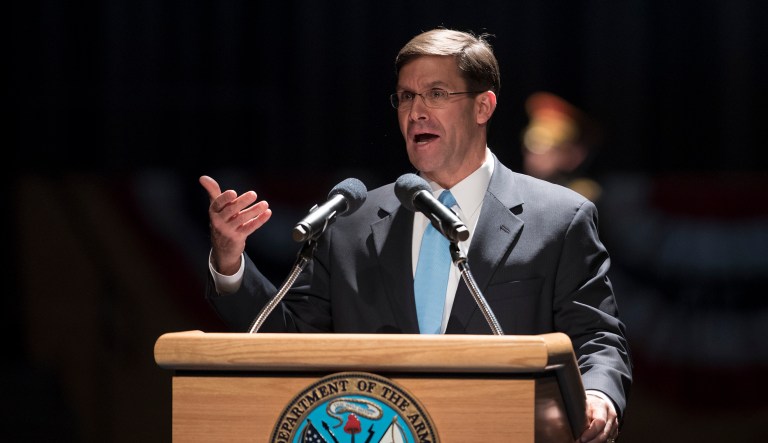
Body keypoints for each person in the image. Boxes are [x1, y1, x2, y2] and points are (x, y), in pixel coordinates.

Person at [199, 28, 631, 443]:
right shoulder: (350, 221)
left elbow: (597, 337)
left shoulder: (559, 218)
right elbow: (287, 345)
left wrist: (596, 395)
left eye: (437, 95)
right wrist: (230, 262)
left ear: (483, 107)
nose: (416, 111)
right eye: (406, 97)